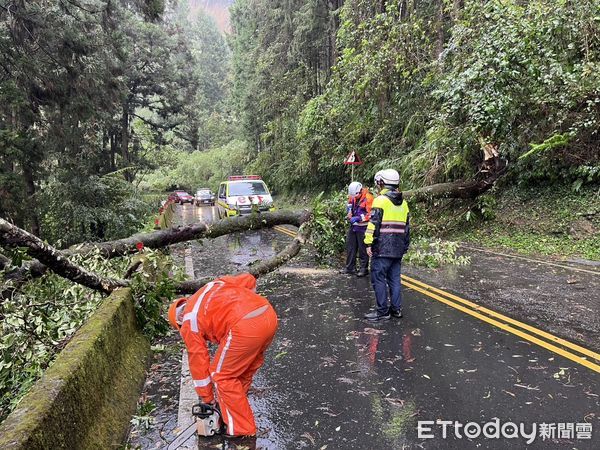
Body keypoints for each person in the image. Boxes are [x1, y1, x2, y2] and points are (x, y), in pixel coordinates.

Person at [168, 273, 278, 437]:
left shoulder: (188, 321)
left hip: (244, 325)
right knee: (242, 371)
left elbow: (199, 360)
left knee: (221, 376)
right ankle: (231, 407)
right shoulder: (211, 286)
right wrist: (248, 301)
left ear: (179, 320)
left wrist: (207, 399)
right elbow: (249, 279)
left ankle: (241, 430)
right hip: (268, 315)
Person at [363, 169, 410, 322]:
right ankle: (396, 310)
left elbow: (373, 224)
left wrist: (368, 242)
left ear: (382, 182)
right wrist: (405, 246)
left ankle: (382, 312)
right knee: (395, 280)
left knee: (379, 279)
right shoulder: (404, 203)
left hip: (382, 248)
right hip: (397, 249)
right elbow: (407, 228)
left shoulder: (380, 200)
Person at [339, 181, 374, 277]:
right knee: (350, 246)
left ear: (360, 190)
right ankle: (350, 268)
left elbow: (371, 214)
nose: (354, 197)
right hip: (354, 225)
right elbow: (350, 205)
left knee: (363, 248)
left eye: (356, 195)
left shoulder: (368, 198)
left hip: (363, 227)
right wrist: (349, 212)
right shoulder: (353, 195)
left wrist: (359, 218)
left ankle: (364, 269)